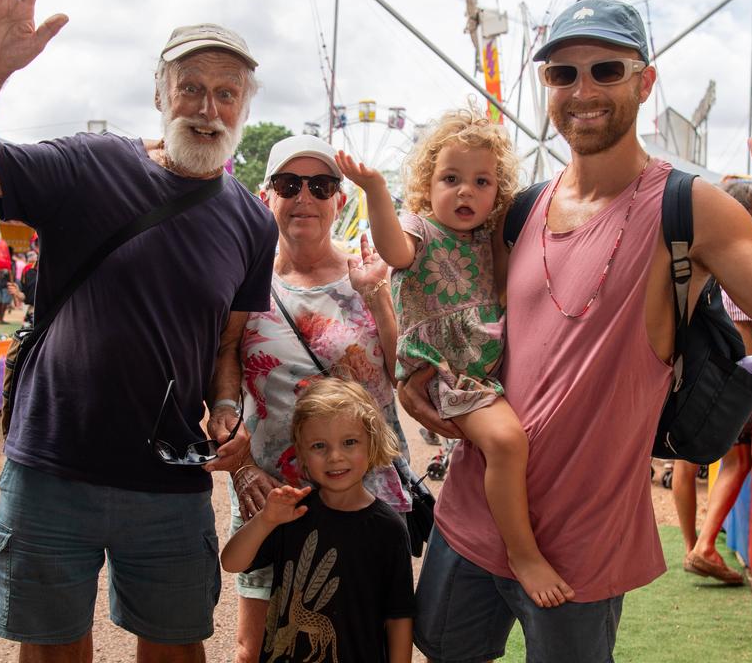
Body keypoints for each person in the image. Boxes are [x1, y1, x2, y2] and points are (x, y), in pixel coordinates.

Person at [401, 0, 752, 662]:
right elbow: (463, 318)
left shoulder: (689, 205)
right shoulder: (521, 207)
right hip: (474, 516)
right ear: (548, 88)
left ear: (644, 82)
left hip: (582, 544)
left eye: (606, 70)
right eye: (564, 74)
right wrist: (416, 379)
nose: (583, 89)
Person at [0, 0, 276, 661]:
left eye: (227, 93)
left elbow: (225, 348)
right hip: (54, 464)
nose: (208, 108)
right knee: (52, 647)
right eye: (191, 87)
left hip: (170, 478)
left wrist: (230, 411)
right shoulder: (92, 164)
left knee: (176, 647)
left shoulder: (251, 220)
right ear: (159, 92)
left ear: (244, 107)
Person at [338, 109, 574, 608]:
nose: (465, 191)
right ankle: (523, 553)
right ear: (428, 184)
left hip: (489, 367)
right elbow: (394, 251)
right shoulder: (419, 229)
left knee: (520, 444)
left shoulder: (489, 242)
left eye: (481, 181)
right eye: (451, 179)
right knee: (507, 444)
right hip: (447, 372)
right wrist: (375, 190)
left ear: (497, 194)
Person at [224, 134, 410, 662]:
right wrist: (240, 469)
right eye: (289, 184)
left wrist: (377, 297)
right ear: (267, 198)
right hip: (274, 496)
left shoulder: (372, 274)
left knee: (359, 639)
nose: (304, 196)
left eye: (321, 185)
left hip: (362, 495)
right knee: (255, 647)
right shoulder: (242, 283)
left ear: (339, 201)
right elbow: (217, 378)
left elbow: (406, 374)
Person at [220, 377, 415, 663]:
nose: (335, 456)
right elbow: (231, 562)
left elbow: (399, 616)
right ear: (301, 454)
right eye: (319, 446)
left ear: (371, 444)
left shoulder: (388, 529)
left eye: (349, 442)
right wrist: (266, 520)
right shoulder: (292, 512)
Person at [671, 179, 752, 585]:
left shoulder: (694, 254)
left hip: (689, 371)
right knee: (738, 459)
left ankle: (690, 546)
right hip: (725, 378)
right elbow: (741, 325)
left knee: (686, 459)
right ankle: (705, 547)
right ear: (748, 215)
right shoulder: (738, 258)